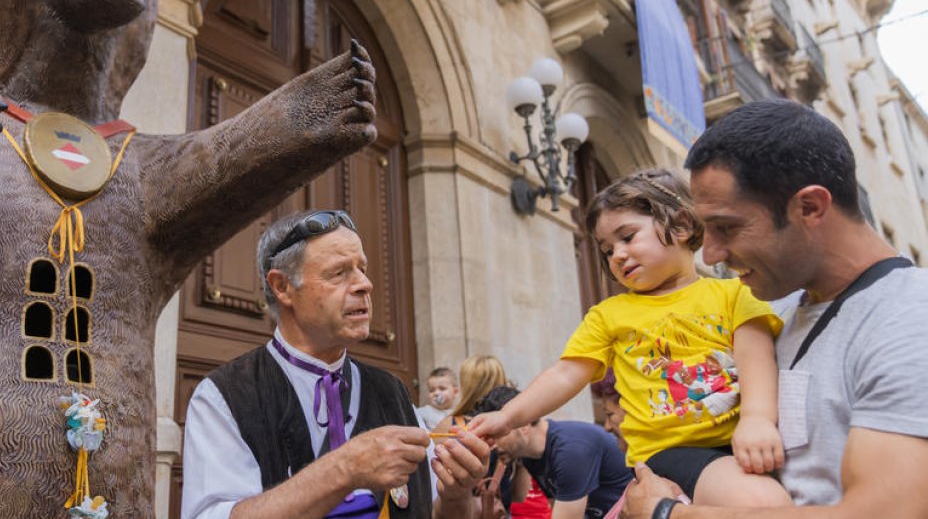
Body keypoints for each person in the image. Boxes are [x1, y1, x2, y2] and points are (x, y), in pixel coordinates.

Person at [624, 100, 928, 518]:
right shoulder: (764, 309)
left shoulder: (911, 316)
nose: (710, 254)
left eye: (727, 227)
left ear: (809, 207)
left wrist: (667, 514)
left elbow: (886, 513)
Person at [470, 169, 789, 508]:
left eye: (628, 236)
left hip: (743, 440)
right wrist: (508, 416)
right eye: (607, 250)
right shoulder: (609, 314)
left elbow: (757, 359)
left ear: (680, 225)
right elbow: (565, 374)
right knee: (763, 501)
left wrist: (757, 420)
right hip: (669, 453)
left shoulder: (736, 293)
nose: (617, 255)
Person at [181, 209, 490, 519]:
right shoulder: (224, 396)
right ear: (283, 286)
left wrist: (456, 494)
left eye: (362, 269)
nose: (365, 285)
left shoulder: (392, 392)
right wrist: (345, 468)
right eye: (339, 272)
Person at [473, 386, 633, 519]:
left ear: (523, 425)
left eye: (497, 435)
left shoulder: (570, 451)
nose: (492, 445)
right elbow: (554, 506)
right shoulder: (530, 455)